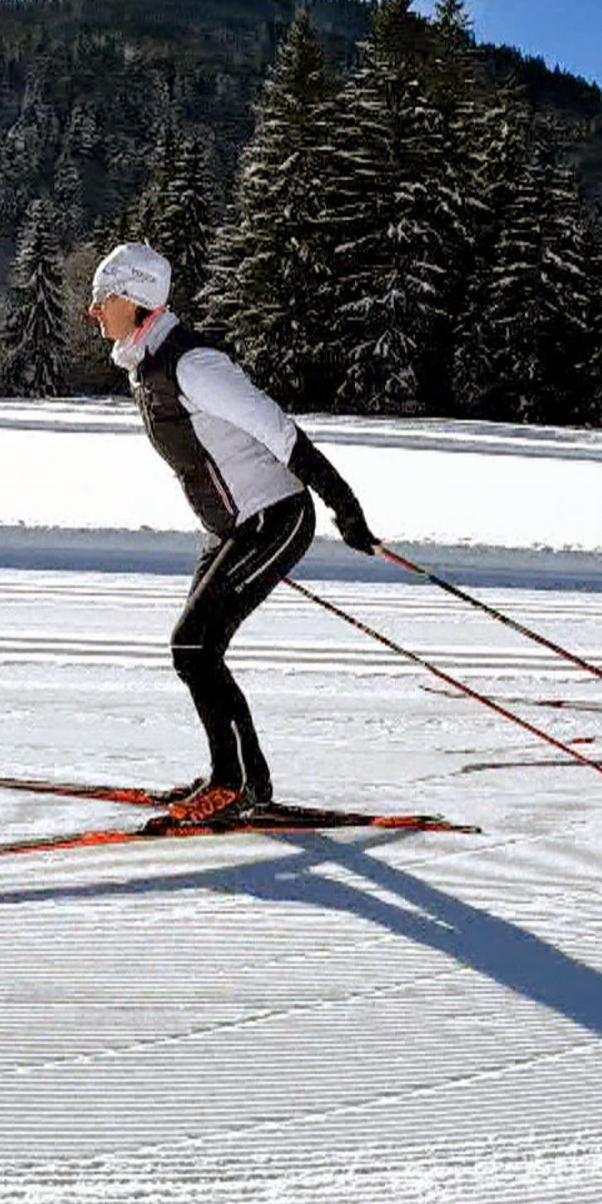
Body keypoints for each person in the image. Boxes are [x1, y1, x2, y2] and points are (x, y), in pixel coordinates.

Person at [85, 241, 380, 828]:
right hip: (232, 529)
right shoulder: (149, 362)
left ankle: (235, 783)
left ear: (137, 299)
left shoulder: (193, 365)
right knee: (199, 650)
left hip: (274, 519)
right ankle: (242, 777)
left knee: (191, 645)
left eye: (103, 298)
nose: (94, 310)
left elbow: (278, 430)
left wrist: (345, 506)